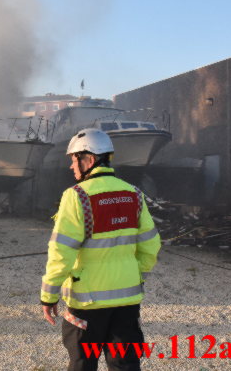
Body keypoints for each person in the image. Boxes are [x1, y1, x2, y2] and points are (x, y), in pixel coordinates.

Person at [40, 128, 161, 371]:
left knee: (83, 363)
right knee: (125, 364)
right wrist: (134, 275)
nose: (71, 167)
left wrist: (49, 295)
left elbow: (61, 253)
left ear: (90, 160)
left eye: (73, 159)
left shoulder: (76, 196)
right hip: (126, 302)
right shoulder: (134, 194)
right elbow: (151, 245)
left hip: (87, 303)